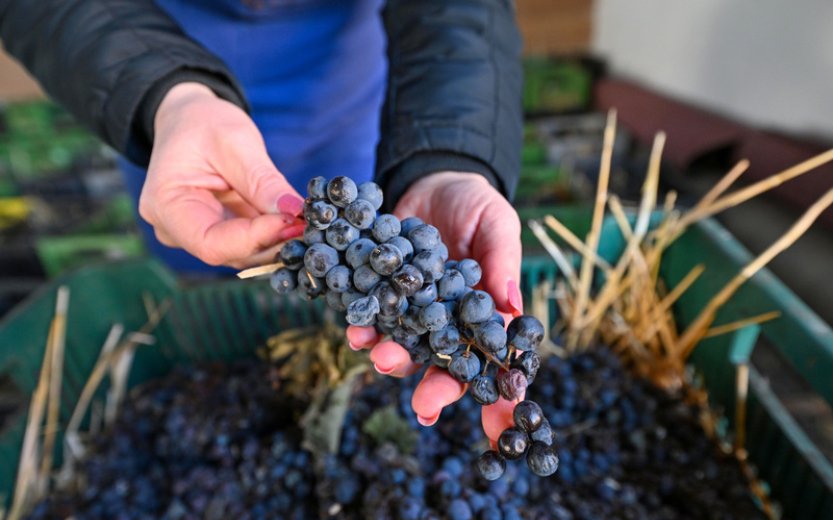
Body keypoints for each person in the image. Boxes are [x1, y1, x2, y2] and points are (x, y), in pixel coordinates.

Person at [0, 0, 525, 445]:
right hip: (143, 62)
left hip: (338, 83)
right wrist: (165, 94)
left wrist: (449, 156)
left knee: (342, 240)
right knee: (201, 265)